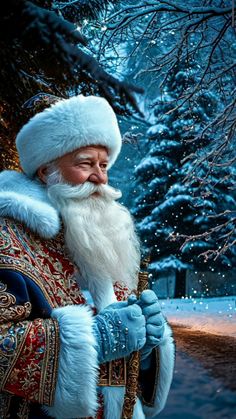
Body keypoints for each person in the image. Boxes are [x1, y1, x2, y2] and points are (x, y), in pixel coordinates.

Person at [0, 95, 175, 419]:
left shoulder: (104, 239)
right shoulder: (7, 237)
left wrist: (147, 347)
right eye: (85, 163)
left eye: (104, 165)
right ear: (46, 169)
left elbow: (127, 357)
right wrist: (95, 339)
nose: (100, 178)